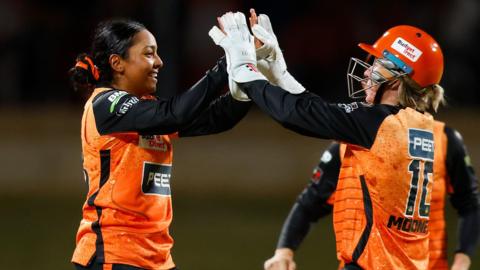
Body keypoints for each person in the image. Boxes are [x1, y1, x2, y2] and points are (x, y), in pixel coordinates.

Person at [210, 10, 446, 269]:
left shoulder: (377, 124)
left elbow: (296, 115)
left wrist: (247, 70)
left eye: (377, 64)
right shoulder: (421, 127)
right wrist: (279, 74)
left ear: (398, 77)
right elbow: (318, 110)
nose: (367, 72)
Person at [70, 19, 251, 270]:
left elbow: (216, 118)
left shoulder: (143, 108)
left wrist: (252, 74)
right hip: (113, 254)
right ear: (117, 63)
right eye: (148, 53)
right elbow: (176, 113)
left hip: (155, 257)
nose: (159, 62)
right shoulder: (106, 104)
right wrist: (225, 65)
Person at [264, 121, 480, 270]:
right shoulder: (349, 142)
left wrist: (462, 259)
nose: (368, 76)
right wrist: (284, 251)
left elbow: (470, 203)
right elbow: (310, 202)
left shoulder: (444, 140)